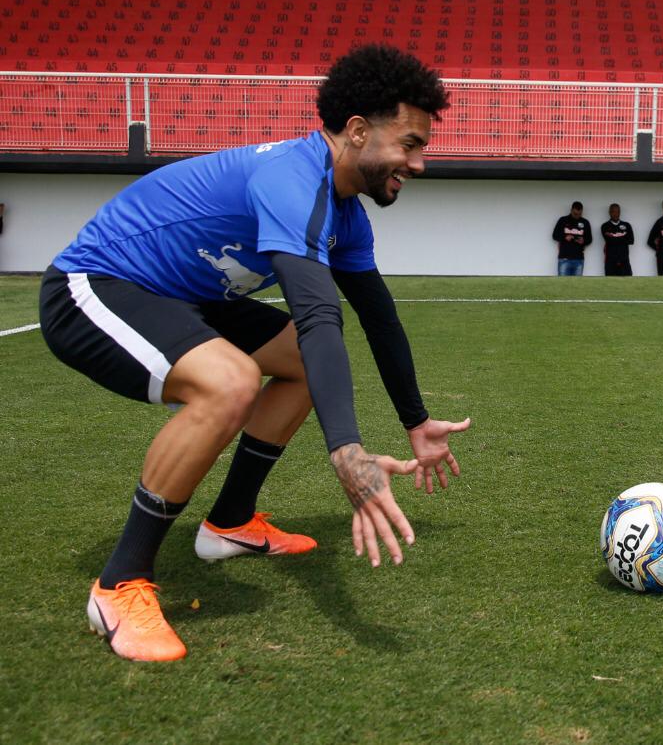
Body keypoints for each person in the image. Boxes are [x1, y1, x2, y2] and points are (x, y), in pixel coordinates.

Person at [38, 44, 473, 662]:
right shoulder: (290, 180)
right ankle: (119, 584)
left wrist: (415, 420)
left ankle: (230, 525)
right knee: (232, 380)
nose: (419, 162)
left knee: (295, 356)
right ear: (355, 132)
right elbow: (319, 312)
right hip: (96, 285)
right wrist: (346, 451)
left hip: (185, 294)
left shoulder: (344, 212)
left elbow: (376, 315)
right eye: (409, 143)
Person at [552, 201, 592, 276]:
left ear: (582, 211)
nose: (577, 216)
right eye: (575, 214)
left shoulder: (585, 222)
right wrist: (565, 237)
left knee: (577, 285)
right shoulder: (563, 220)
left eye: (579, 214)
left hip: (579, 259)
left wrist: (583, 241)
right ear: (571, 210)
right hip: (564, 258)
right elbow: (554, 235)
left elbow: (589, 239)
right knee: (563, 284)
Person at [601, 203, 635, 276]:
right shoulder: (605, 226)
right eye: (613, 211)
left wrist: (614, 236)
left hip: (624, 261)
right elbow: (610, 241)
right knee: (610, 285)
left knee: (628, 284)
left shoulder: (627, 225)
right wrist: (623, 237)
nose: (616, 214)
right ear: (609, 212)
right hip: (610, 262)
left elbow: (631, 241)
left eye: (618, 211)